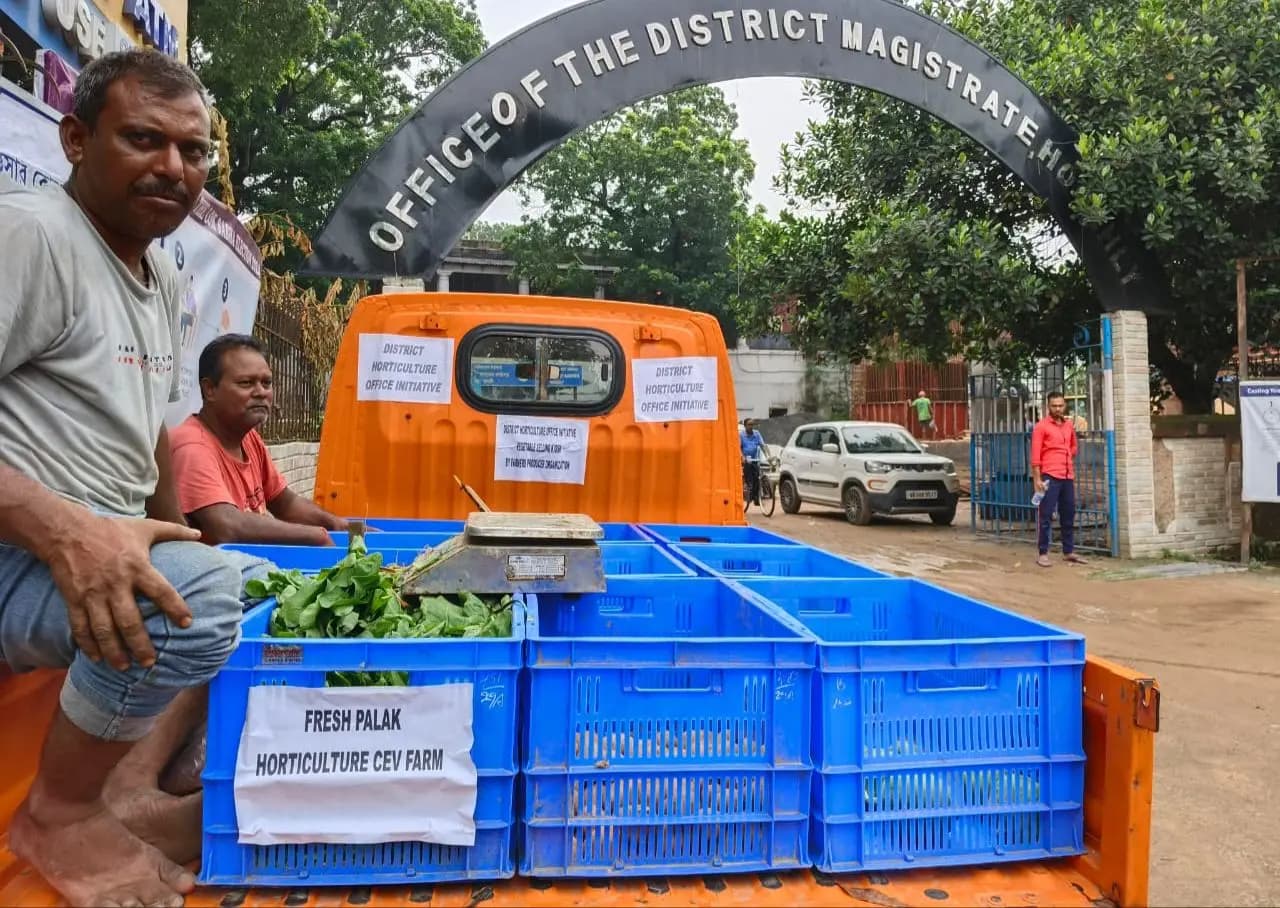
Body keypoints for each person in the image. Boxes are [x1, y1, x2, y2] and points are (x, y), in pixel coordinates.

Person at [0, 49, 271, 907]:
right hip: (18, 556)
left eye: (194, 153)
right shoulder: (33, 236)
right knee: (191, 596)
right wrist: (65, 530)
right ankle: (60, 811)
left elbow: (147, 434)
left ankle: (120, 791)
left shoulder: (157, 272)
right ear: (77, 139)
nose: (174, 168)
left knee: (264, 588)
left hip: (84, 551)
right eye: (143, 139)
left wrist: (183, 530)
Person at [169, 334, 349, 545]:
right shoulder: (192, 448)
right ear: (210, 389)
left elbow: (286, 504)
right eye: (246, 383)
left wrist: (337, 525)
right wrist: (313, 536)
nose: (261, 392)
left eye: (267, 383)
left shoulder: (248, 439)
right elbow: (226, 526)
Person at [1031, 391, 1088, 568]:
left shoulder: (1068, 425)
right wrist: (1037, 479)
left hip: (1067, 475)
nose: (1057, 408)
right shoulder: (1041, 427)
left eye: (1060, 405)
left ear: (1065, 406)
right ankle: (1043, 553)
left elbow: (1074, 447)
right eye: (1054, 405)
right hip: (1049, 476)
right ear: (1048, 406)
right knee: (1046, 515)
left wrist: (1065, 455)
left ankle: (1068, 551)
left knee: (1068, 513)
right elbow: (1035, 456)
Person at [740, 418, 767, 506]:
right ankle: (749, 491)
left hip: (755, 459)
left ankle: (756, 498)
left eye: (752, 424)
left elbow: (763, 445)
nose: (751, 426)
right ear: (745, 426)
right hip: (745, 460)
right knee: (749, 477)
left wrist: (768, 456)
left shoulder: (757, 434)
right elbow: (739, 448)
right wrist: (743, 457)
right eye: (749, 425)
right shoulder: (741, 435)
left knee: (757, 477)